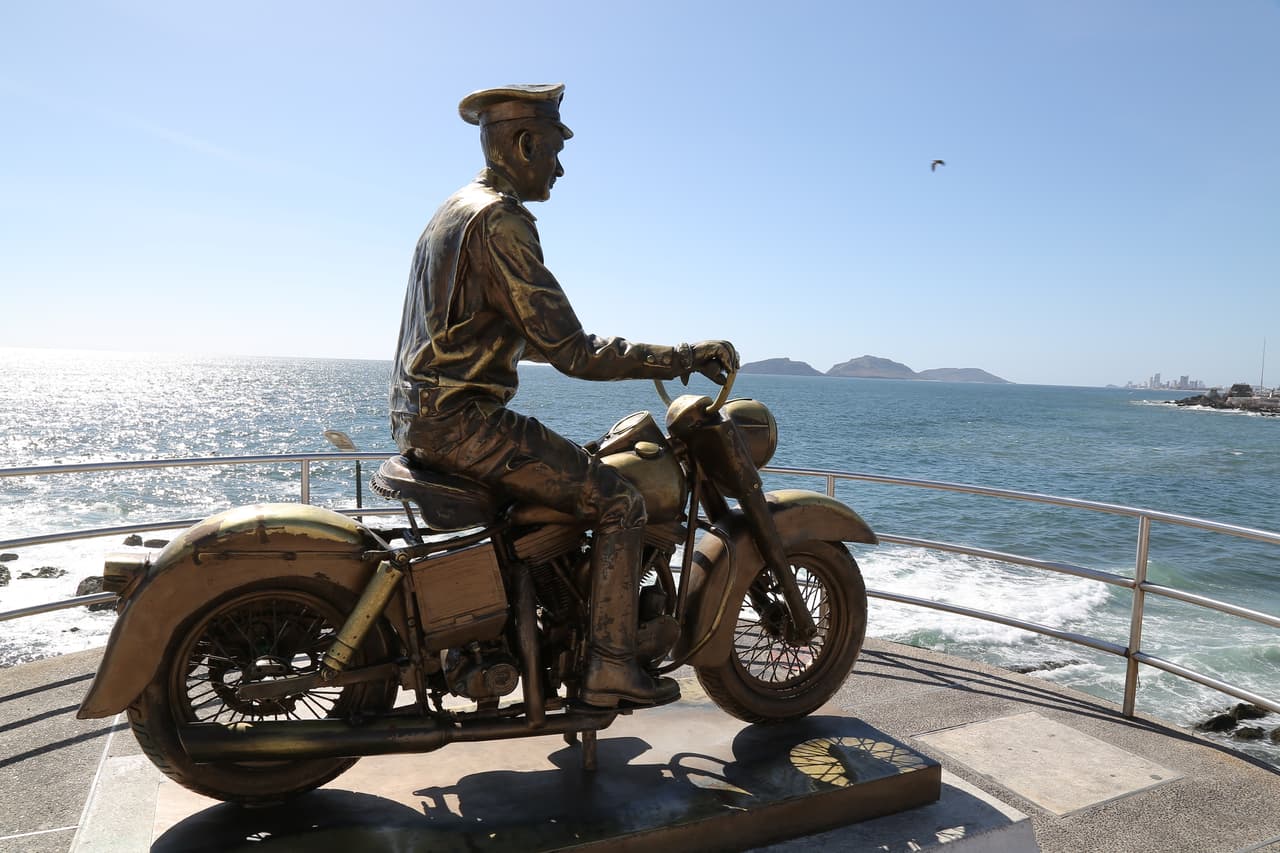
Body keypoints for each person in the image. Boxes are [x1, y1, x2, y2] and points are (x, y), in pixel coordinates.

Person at [389, 84, 737, 709]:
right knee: (620, 503)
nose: (560, 165)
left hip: (423, 417)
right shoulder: (500, 220)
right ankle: (609, 666)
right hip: (463, 422)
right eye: (553, 149)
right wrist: (682, 357)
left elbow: (506, 334)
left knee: (576, 473)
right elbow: (573, 351)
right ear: (524, 143)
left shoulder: (451, 212)